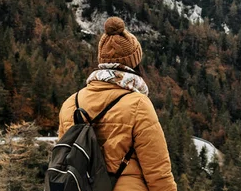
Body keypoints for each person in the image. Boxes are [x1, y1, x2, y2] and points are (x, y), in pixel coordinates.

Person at [58, 17, 177, 191]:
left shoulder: (71, 103)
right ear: (134, 63)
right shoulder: (139, 104)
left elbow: (63, 160)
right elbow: (158, 172)